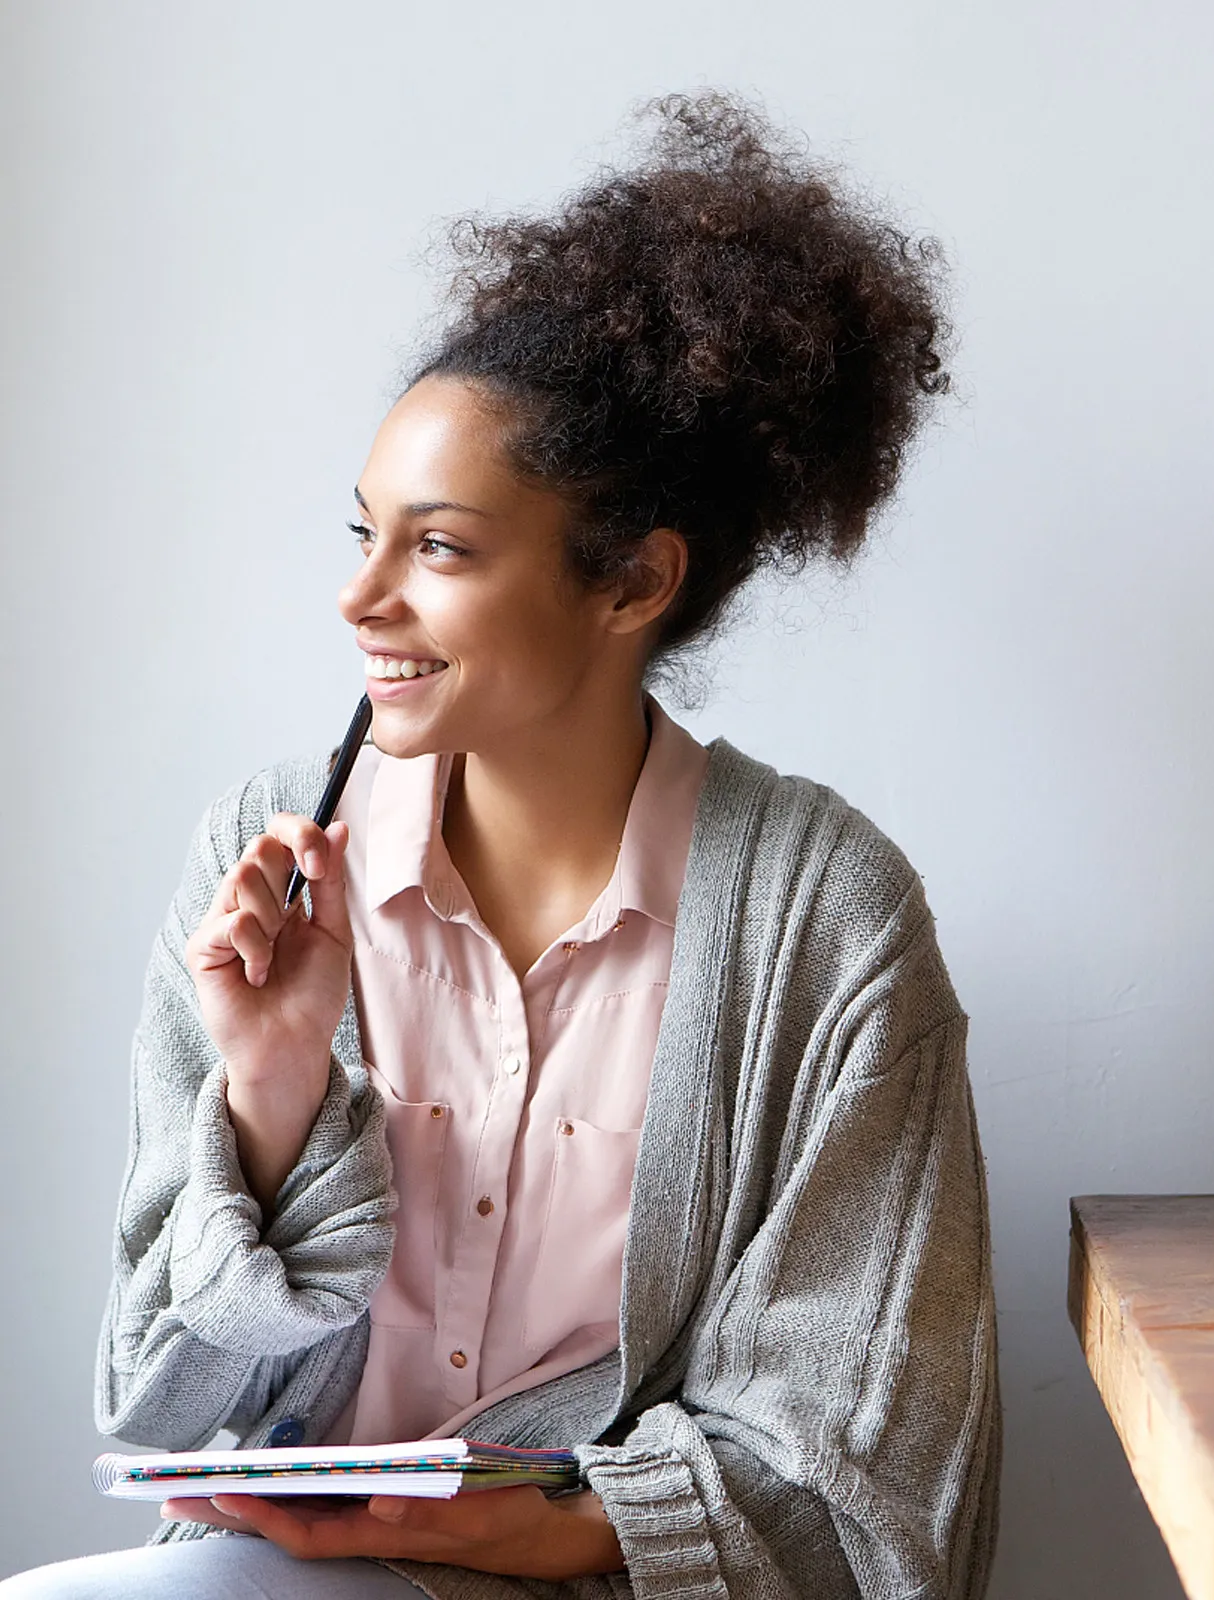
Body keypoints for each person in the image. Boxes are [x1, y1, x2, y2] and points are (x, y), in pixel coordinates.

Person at [3, 93, 999, 1600]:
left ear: (632, 584)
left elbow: (878, 1473)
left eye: (443, 548)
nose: (363, 600)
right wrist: (271, 1099)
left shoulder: (828, 920)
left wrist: (560, 1531)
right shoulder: (263, 863)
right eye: (364, 535)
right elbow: (155, 1403)